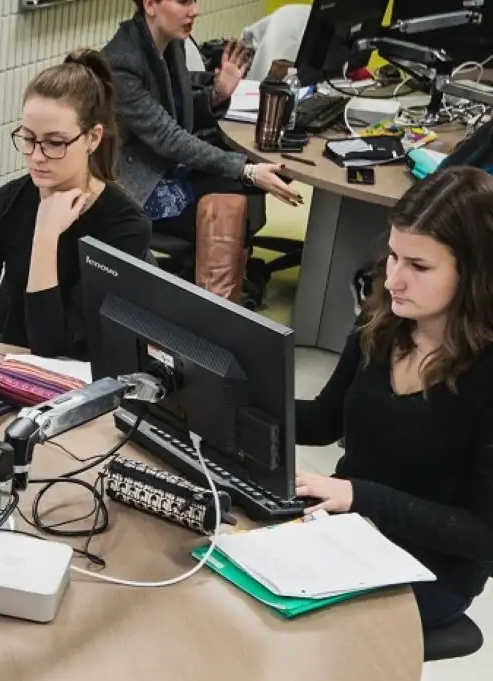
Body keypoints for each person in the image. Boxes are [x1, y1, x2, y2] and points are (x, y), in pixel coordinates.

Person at [295, 166, 493, 630]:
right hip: (347, 527)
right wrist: (231, 395)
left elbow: (484, 534)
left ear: (477, 274)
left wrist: (359, 496)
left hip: (430, 568)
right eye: (393, 257)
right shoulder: (384, 321)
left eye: (419, 267)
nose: (393, 281)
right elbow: (325, 421)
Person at [104, 0, 303, 301]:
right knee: (241, 188)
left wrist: (217, 93)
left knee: (255, 185)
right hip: (142, 187)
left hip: (170, 169)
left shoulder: (171, 45)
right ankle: (213, 307)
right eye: (184, 2)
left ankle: (221, 290)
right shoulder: (121, 63)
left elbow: (176, 116)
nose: (195, 10)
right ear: (150, 5)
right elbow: (169, 138)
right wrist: (245, 170)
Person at [0, 49, 151, 361]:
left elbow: (51, 346)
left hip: (78, 379)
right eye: (28, 138)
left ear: (93, 138)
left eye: (55, 143)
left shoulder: (125, 228)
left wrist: (45, 236)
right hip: (7, 365)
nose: (37, 156)